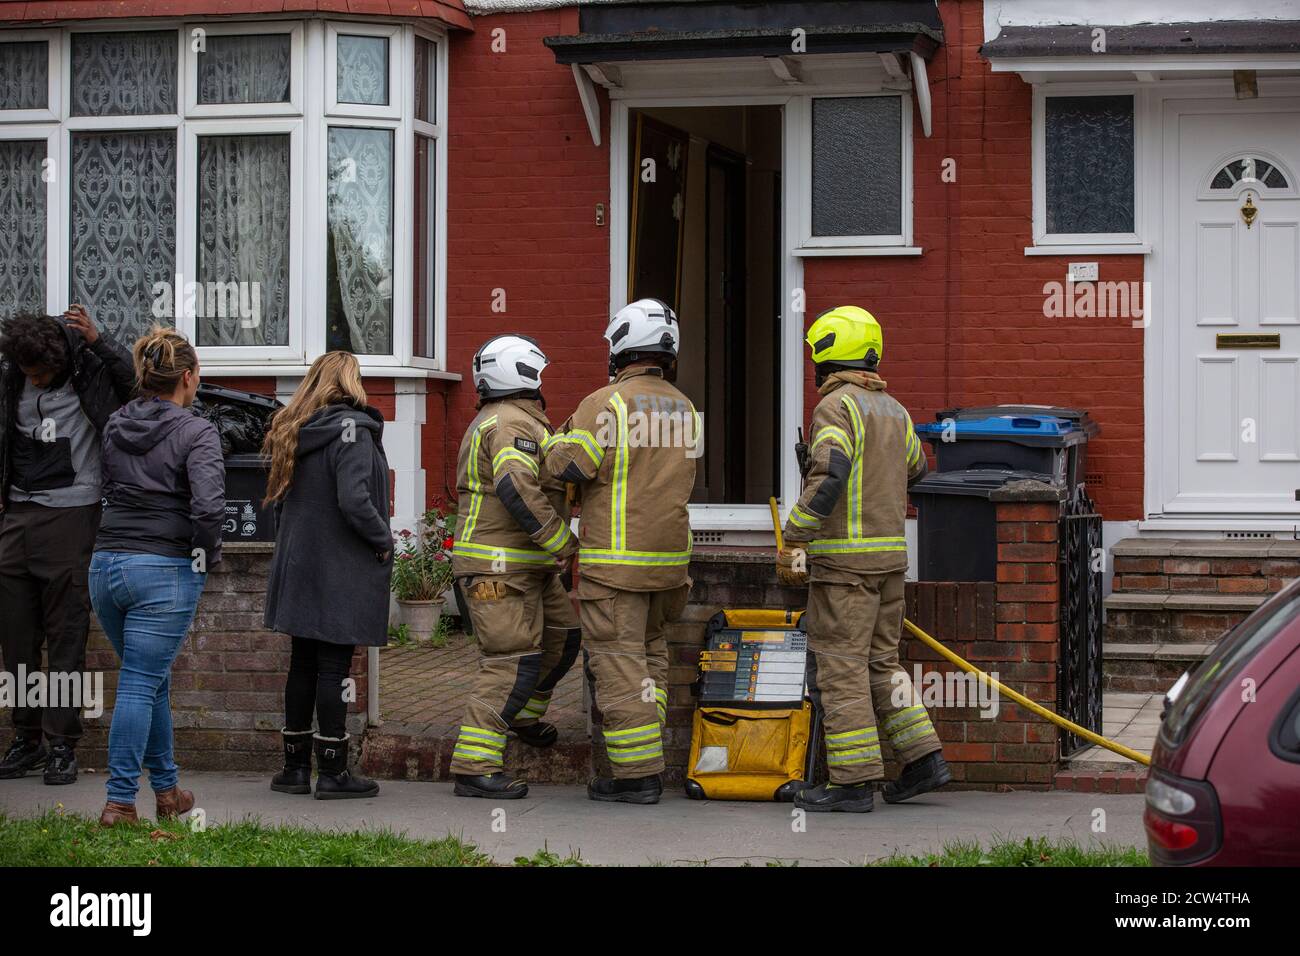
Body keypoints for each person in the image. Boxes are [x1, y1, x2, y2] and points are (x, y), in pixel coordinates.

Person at [777, 305, 950, 813]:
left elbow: (829, 475)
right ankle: (923, 758)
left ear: (829, 354)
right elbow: (916, 467)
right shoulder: (892, 409)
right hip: (890, 561)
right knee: (881, 663)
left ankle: (852, 784)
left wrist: (795, 537)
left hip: (844, 569)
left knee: (841, 668)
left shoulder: (836, 408)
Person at [544, 299, 699, 805]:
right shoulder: (686, 408)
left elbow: (572, 467)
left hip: (616, 569)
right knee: (651, 664)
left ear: (621, 348)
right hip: (671, 568)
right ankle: (647, 760)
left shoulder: (606, 402)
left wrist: (555, 443)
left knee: (618, 666)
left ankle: (636, 779)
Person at [92, 328, 224, 826]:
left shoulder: (114, 424)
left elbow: (107, 487)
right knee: (138, 684)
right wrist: (204, 554)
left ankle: (168, 792)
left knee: (150, 682)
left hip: (105, 565)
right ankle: (120, 801)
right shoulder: (197, 431)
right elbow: (209, 508)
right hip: (163, 567)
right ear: (188, 378)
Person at [0, 306, 134, 786]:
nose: (33, 381)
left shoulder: (88, 369)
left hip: (74, 510)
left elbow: (135, 385)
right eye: (26, 372)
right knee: (16, 639)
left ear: (58, 362)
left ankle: (62, 744)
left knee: (66, 634)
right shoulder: (13, 375)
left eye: (40, 373)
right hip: (17, 512)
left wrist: (99, 341)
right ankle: (26, 738)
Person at [448, 335, 582, 800]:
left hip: (527, 567)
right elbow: (515, 485)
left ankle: (522, 714)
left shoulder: (513, 420)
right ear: (525, 375)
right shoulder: (509, 423)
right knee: (510, 662)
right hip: (496, 570)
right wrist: (561, 540)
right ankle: (475, 766)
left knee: (564, 637)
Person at [263, 352, 387, 800]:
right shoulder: (352, 432)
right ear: (352, 382)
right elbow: (354, 500)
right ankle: (333, 773)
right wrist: (382, 540)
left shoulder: (297, 430)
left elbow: (280, 506)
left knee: (303, 664)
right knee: (333, 668)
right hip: (339, 567)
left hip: (300, 565)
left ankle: (294, 770)